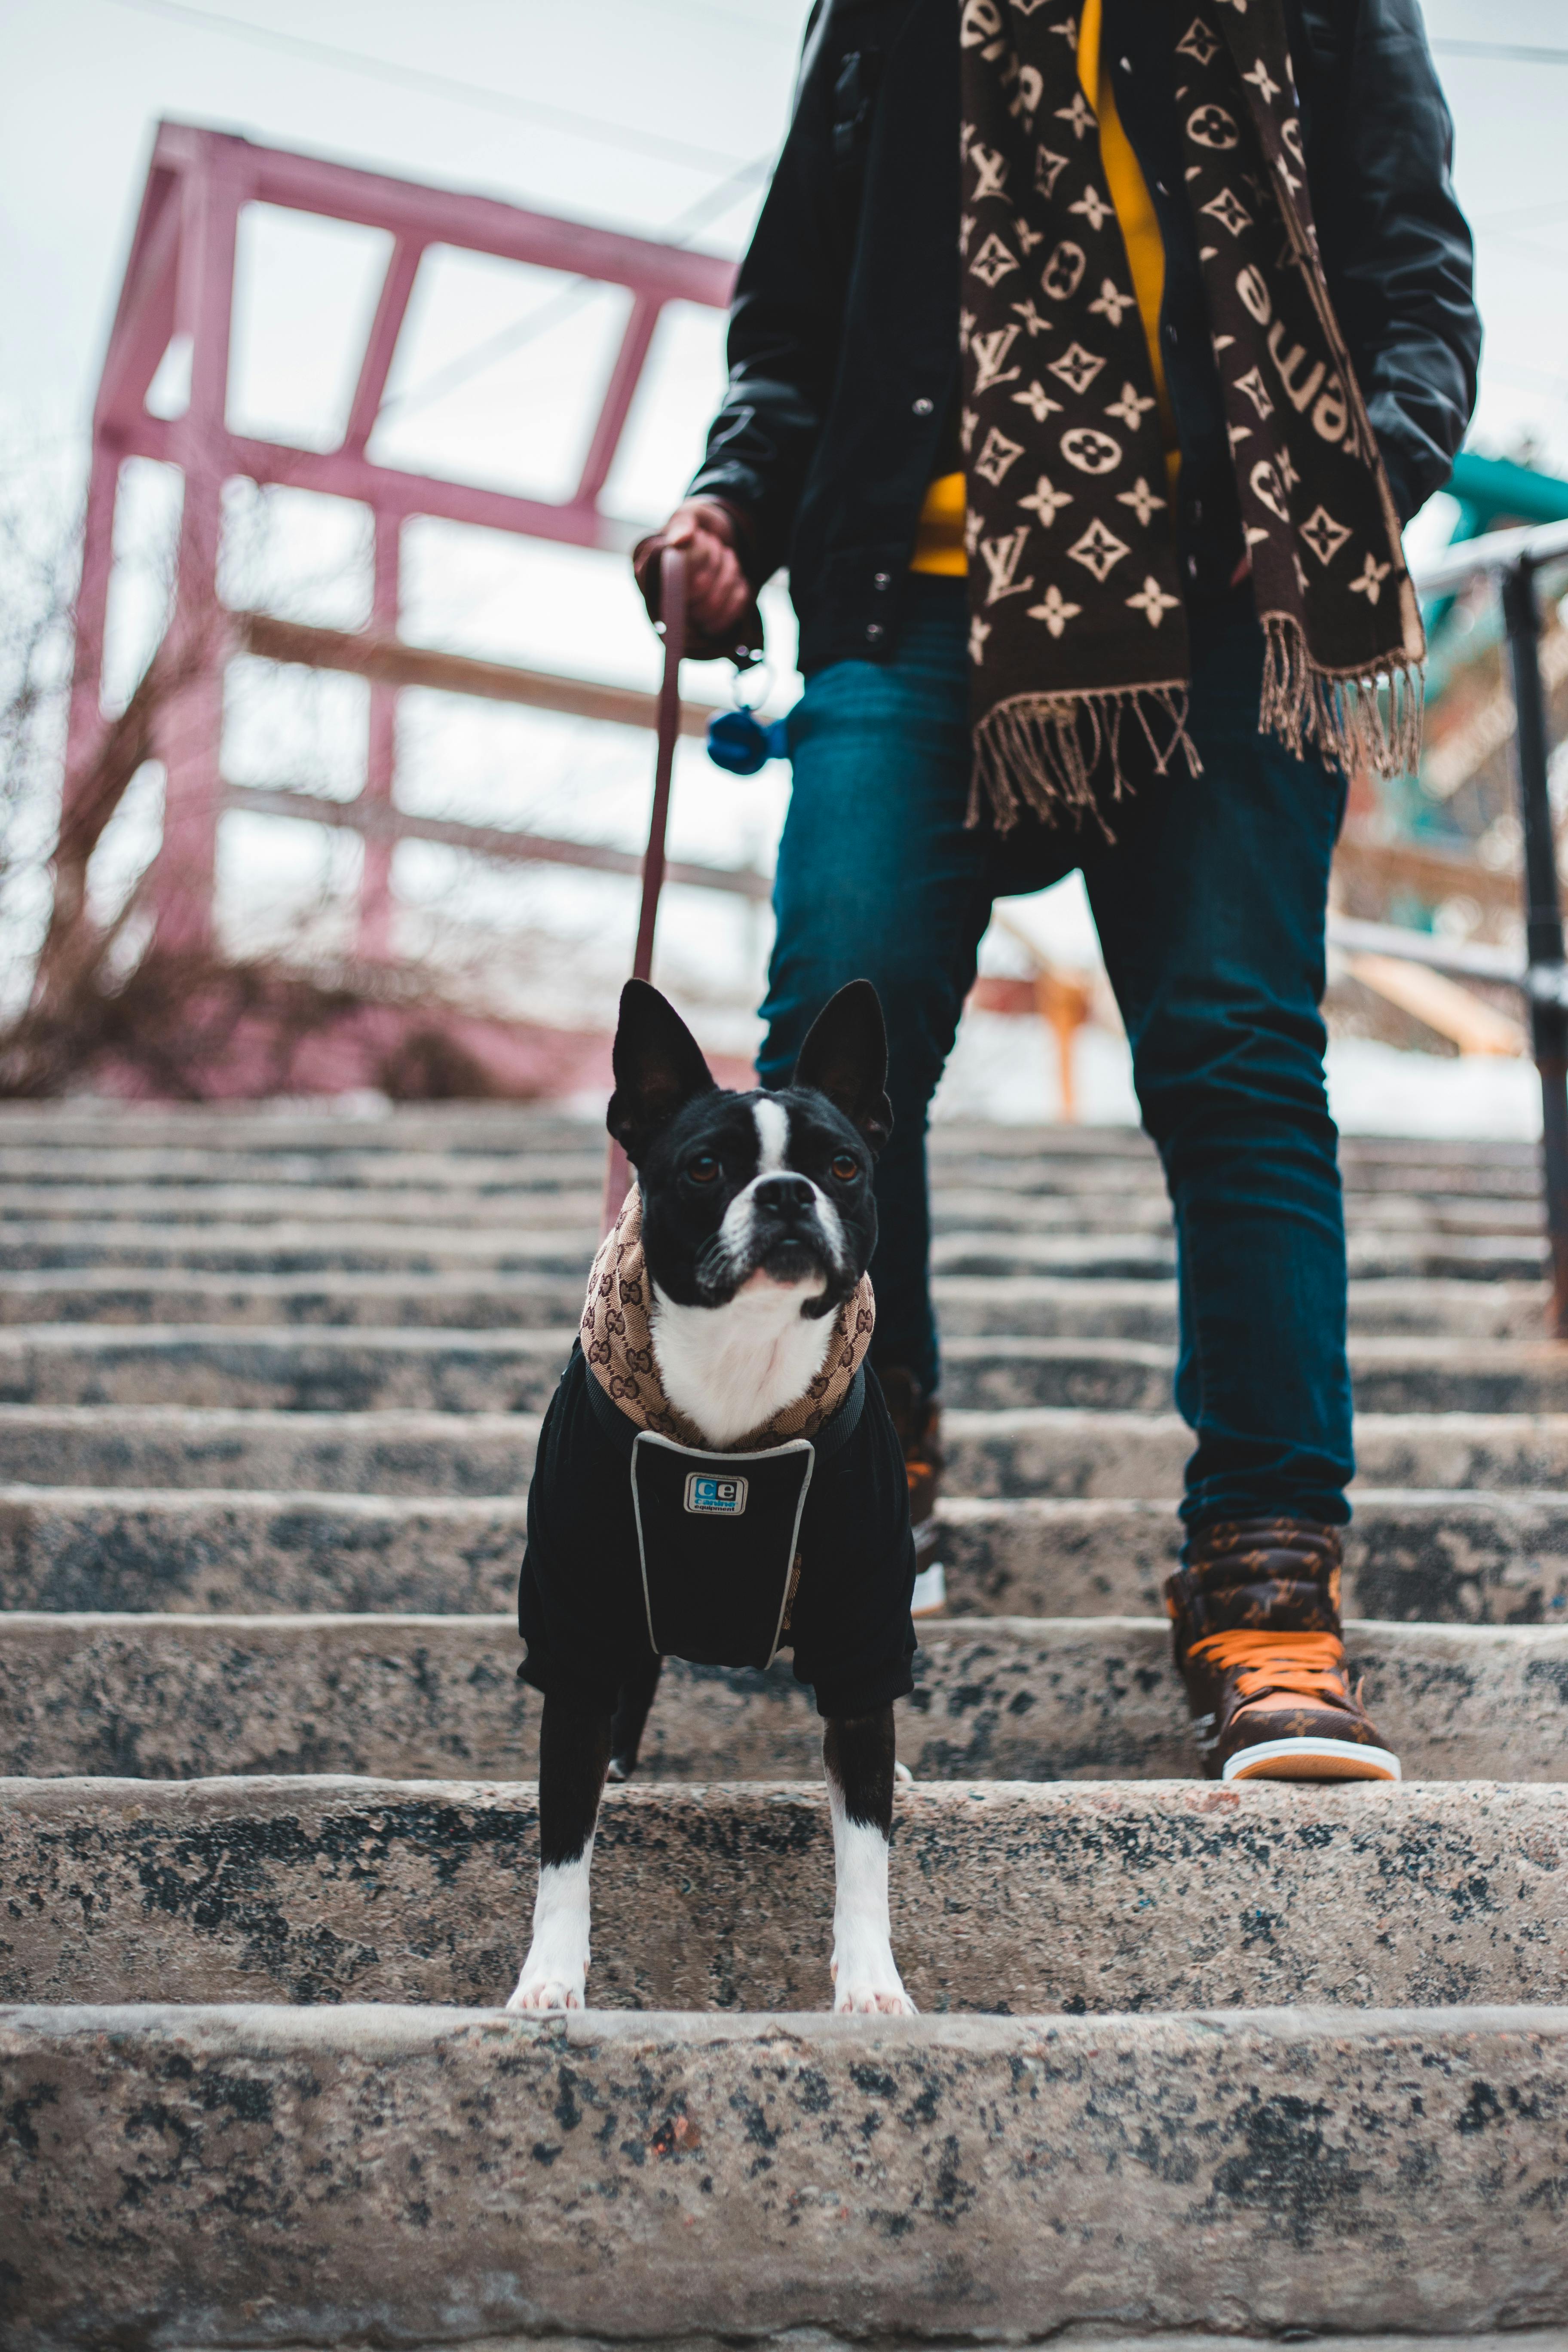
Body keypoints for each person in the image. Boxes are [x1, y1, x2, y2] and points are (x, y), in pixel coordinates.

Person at [634, 0, 1479, 1783]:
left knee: (1243, 1067)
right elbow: (791, 321)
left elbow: (1414, 282)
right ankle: (871, 1467)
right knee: (837, 1029)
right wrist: (731, 511)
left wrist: (1355, 482)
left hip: (1231, 591)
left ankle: (1268, 1581)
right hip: (909, 599)